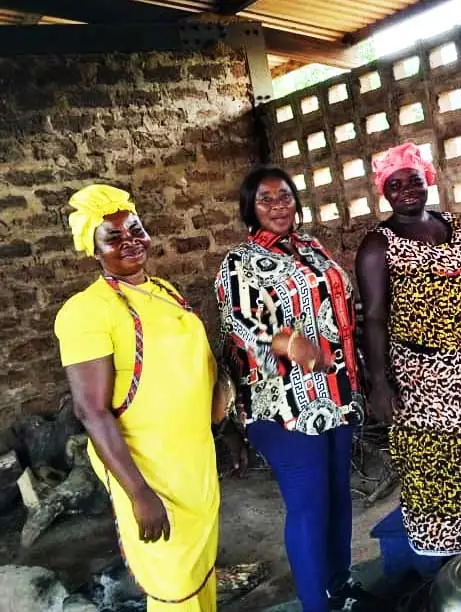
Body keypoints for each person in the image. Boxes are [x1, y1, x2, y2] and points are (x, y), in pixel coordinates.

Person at [55, 184, 236, 611]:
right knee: (173, 580)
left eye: (135, 230)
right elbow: (91, 411)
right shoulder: (86, 312)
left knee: (199, 567)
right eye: (113, 237)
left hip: (193, 458)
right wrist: (138, 493)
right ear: (93, 249)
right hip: (149, 468)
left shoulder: (164, 291)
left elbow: (198, 369)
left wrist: (225, 429)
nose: (130, 241)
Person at [356, 142, 461, 562]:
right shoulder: (378, 244)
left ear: (427, 179)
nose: (406, 190)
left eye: (414, 180)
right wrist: (378, 382)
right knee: (438, 462)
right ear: (383, 191)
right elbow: (373, 318)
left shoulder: (452, 225)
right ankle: (444, 561)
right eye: (395, 184)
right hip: (424, 378)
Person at [216, 166, 370, 612]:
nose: (278, 206)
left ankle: (340, 587)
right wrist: (287, 341)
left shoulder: (312, 247)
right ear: (250, 208)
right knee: (309, 504)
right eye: (265, 199)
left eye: (284, 196)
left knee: (337, 496)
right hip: (282, 403)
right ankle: (316, 604)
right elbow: (238, 322)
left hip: (335, 394)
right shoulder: (239, 262)